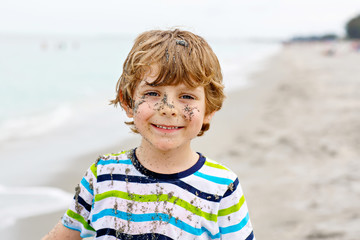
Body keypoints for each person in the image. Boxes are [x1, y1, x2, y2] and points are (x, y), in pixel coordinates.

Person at [42, 29, 255, 240]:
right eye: (152, 93)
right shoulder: (103, 174)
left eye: (186, 96)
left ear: (208, 110)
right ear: (128, 102)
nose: (168, 108)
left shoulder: (221, 187)